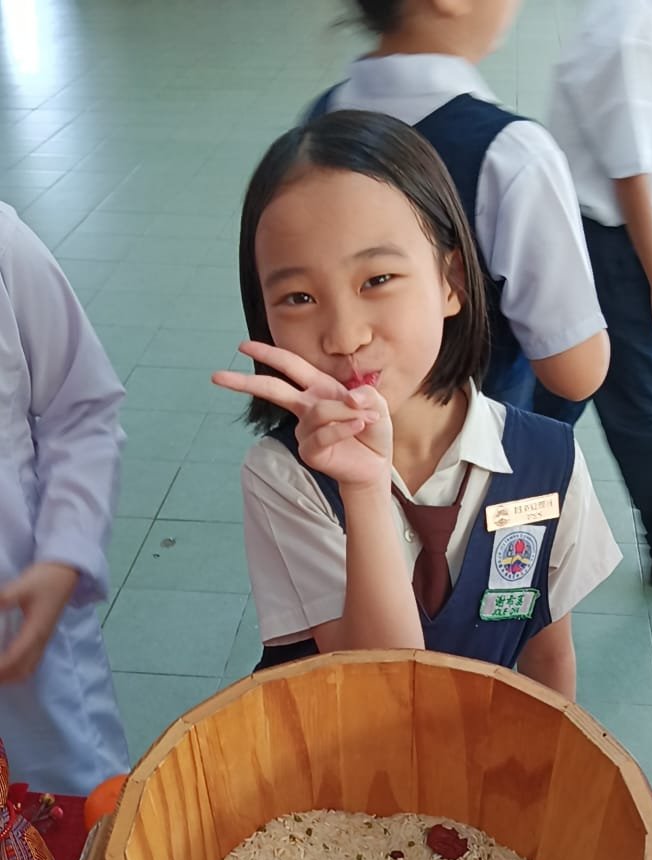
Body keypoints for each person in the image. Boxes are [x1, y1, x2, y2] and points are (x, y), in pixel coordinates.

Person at [212, 112, 621, 699]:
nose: (345, 336)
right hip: (337, 755)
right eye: (298, 297)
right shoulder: (284, 475)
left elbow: (549, 655)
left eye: (377, 280)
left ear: (451, 281)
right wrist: (363, 488)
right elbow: (382, 689)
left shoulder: (548, 461)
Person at [302, 0, 610, 410]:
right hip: (468, 439)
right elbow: (576, 373)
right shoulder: (511, 154)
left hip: (342, 427)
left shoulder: (317, 122)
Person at [533, 0, 652, 594]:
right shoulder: (632, 26)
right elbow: (627, 170)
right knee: (634, 401)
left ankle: (502, 516)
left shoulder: (635, 12)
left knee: (556, 392)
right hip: (607, 243)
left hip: (586, 231)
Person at [0, 202, 130, 795]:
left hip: (29, 651)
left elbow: (80, 409)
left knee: (74, 824)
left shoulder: (5, 246)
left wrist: (63, 556)